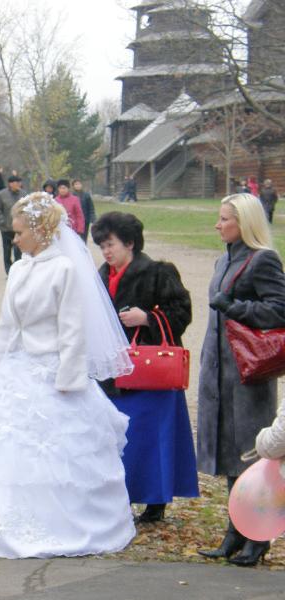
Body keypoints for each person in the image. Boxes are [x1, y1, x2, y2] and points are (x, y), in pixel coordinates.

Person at [0, 192, 135, 558]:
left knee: (57, 455)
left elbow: (73, 330)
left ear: (40, 230)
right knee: (5, 451)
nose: (15, 239)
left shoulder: (66, 269)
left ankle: (65, 523)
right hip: (20, 370)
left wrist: (69, 381)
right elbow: (7, 325)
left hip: (54, 371)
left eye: (19, 232)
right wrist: (1, 368)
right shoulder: (20, 268)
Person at [91, 212, 199, 524]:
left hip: (149, 374)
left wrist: (148, 318)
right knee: (116, 437)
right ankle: (117, 497)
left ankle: (155, 502)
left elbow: (182, 312)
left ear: (130, 243)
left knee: (150, 438)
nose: (106, 252)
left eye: (110, 245)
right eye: (102, 246)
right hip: (114, 370)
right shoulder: (100, 276)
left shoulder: (158, 272)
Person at [197, 193, 285, 566]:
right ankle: (235, 531)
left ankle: (257, 536)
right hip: (220, 372)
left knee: (252, 456)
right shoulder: (223, 258)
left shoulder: (261, 259)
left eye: (225, 219)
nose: (218, 225)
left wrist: (235, 307)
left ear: (243, 222)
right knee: (231, 457)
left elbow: (280, 308)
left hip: (248, 373)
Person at [0, 176, 26, 274]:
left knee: (18, 252)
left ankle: (17, 272)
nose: (17, 184)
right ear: (10, 184)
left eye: (19, 182)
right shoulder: (2, 194)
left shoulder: (23, 194)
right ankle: (8, 271)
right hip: (6, 229)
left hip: (19, 230)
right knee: (7, 252)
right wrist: (2, 221)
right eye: (15, 182)